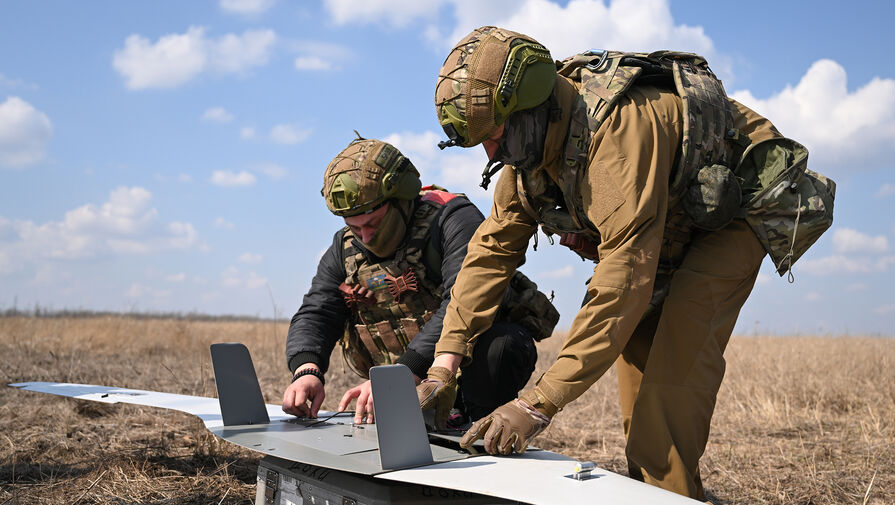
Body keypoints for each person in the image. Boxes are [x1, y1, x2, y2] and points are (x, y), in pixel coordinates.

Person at [419, 26, 834, 500]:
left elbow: (621, 286)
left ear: (530, 107)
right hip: (669, 218)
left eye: (496, 139)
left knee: (672, 380)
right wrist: (444, 366)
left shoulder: (617, 135)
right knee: (636, 380)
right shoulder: (528, 160)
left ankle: (670, 491)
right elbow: (489, 256)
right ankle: (667, 490)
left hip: (735, 213)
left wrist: (536, 404)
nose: (494, 156)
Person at [282, 135, 558, 428]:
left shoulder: (452, 220)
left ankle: (476, 422)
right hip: (405, 375)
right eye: (354, 227)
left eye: (373, 223)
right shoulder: (344, 247)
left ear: (401, 202)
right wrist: (306, 369)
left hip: (464, 368)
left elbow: (464, 301)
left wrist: (403, 373)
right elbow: (318, 310)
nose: (365, 237)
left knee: (501, 347)